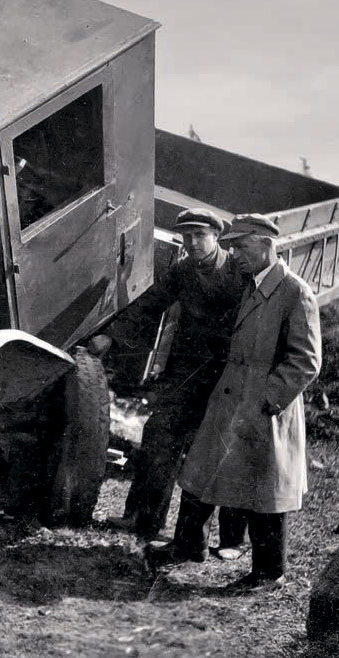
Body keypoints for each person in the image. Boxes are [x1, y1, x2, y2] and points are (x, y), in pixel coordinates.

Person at [146, 213, 322, 593]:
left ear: (265, 244)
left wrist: (266, 400)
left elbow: (306, 360)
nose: (236, 255)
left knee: (265, 490)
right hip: (229, 395)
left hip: (264, 407)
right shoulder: (251, 284)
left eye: (241, 247)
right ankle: (188, 545)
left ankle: (269, 574)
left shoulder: (294, 291)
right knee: (200, 468)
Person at [107, 208, 248, 551]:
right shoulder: (183, 271)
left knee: (212, 454)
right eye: (187, 236)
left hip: (224, 379)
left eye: (200, 235)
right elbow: (150, 304)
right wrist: (110, 335)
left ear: (217, 236)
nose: (193, 242)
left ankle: (212, 540)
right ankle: (143, 519)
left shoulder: (239, 271)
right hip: (184, 375)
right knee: (158, 437)